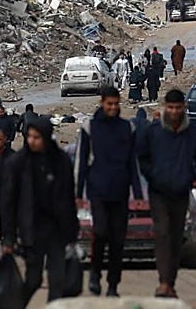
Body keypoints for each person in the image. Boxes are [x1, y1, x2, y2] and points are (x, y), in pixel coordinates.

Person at [137, 89, 196, 300]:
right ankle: (163, 282)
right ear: (164, 107)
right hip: (158, 192)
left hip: (180, 192)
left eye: (178, 108)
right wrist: (153, 176)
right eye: (170, 108)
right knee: (162, 233)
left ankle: (170, 282)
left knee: (176, 236)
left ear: (184, 107)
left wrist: (190, 176)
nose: (174, 112)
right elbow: (142, 157)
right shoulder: (153, 132)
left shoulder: (193, 133)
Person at [0, 116, 79, 305]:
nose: (31, 141)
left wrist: (72, 231)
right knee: (33, 280)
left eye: (36, 137)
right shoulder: (18, 163)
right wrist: (8, 237)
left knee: (58, 281)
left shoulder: (60, 161)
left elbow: (68, 197)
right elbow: (8, 203)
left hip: (57, 229)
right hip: (32, 229)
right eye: (29, 136)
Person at [76, 87, 138, 297]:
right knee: (101, 232)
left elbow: (132, 162)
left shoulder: (127, 128)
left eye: (116, 104)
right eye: (109, 104)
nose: (112, 107)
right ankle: (95, 273)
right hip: (98, 190)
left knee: (117, 241)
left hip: (120, 191)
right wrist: (78, 193)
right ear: (102, 103)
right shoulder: (90, 127)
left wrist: (137, 193)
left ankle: (113, 285)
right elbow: (81, 162)